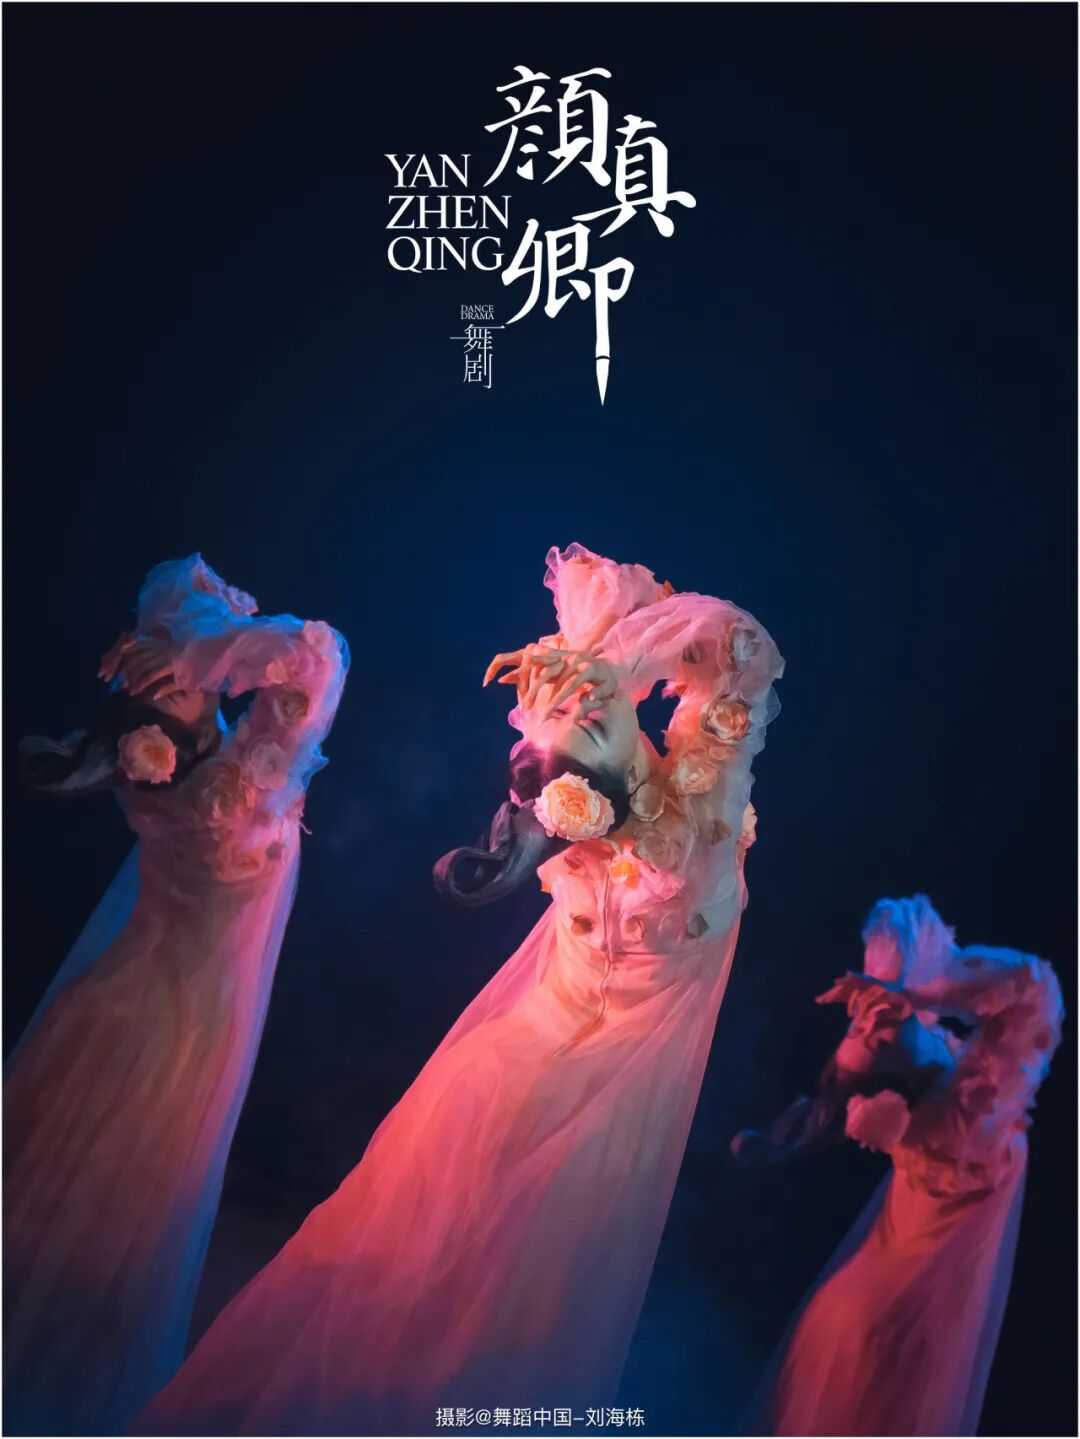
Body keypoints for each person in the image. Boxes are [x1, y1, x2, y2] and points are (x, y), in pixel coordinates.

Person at [140, 543, 784, 1436]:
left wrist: (613, 656)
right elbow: (697, 684)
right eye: (570, 714)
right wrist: (608, 671)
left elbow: (736, 651)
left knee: (501, 1273)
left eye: (584, 705)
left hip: (600, 1078)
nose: (577, 707)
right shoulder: (621, 803)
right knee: (433, 1224)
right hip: (547, 1044)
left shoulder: (687, 802)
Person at [4, 555, 348, 1436]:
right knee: (80, 1213)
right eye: (169, 674)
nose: (184, 678)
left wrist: (195, 649)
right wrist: (205, 649)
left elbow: (310, 660)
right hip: (160, 1022)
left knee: (85, 1212)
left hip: (138, 1006)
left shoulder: (200, 768)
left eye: (185, 667)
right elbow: (316, 656)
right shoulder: (233, 776)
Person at [734, 894, 1063, 1437]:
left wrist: (905, 984)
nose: (871, 1017)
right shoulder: (961, 1128)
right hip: (880, 1338)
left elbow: (928, 1022)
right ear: (893, 1090)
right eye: (877, 1037)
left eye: (862, 1025)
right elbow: (1034, 992)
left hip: (863, 1321)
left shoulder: (943, 1091)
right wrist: (919, 984)